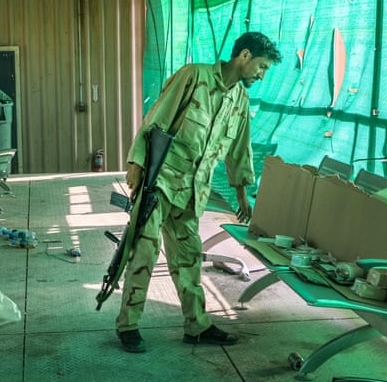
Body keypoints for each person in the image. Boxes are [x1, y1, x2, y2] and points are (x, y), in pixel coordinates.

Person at [116, 32, 282, 353]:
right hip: (161, 181)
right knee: (144, 253)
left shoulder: (239, 100)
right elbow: (157, 118)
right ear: (244, 55)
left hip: (193, 192)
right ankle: (129, 325)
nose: (261, 75)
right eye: (261, 66)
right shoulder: (194, 76)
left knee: (189, 257)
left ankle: (197, 326)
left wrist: (242, 193)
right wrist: (136, 163)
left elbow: (239, 149)